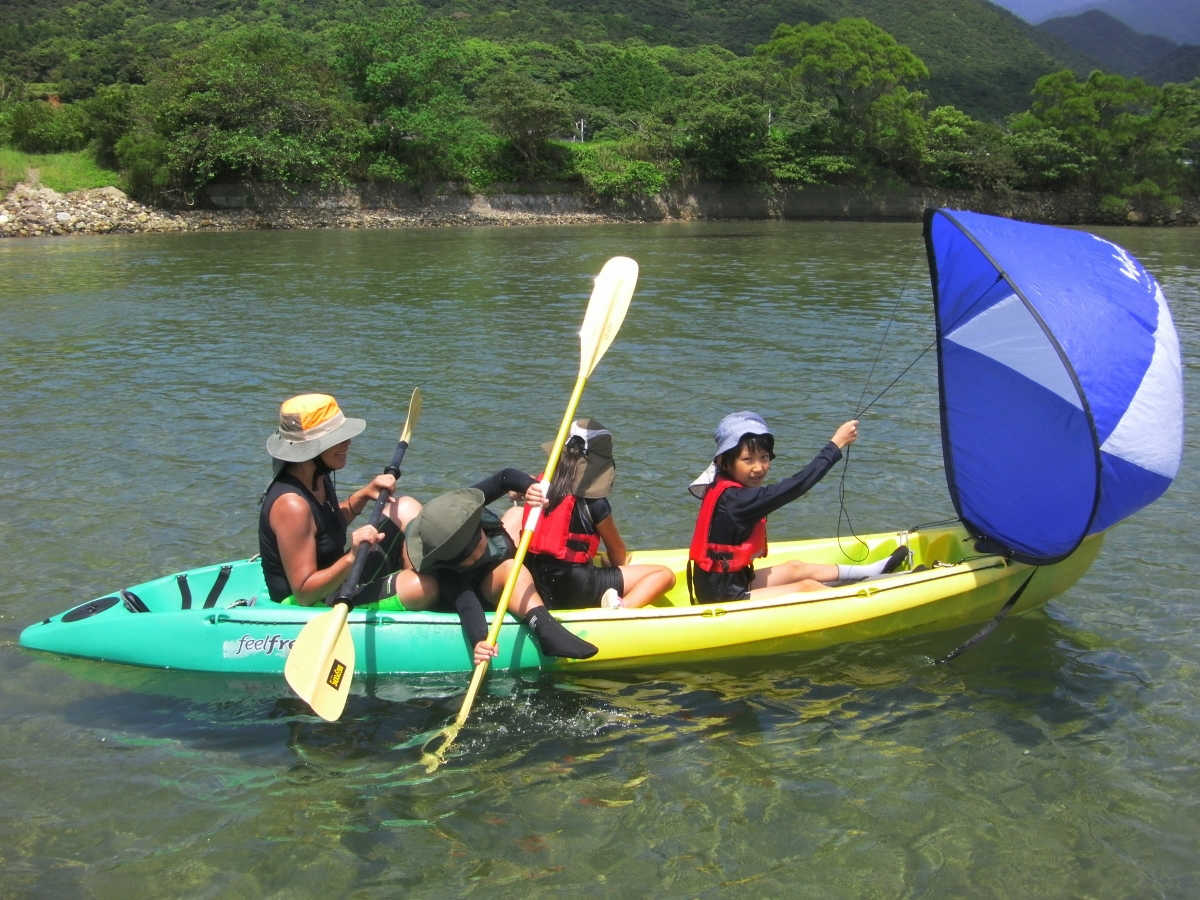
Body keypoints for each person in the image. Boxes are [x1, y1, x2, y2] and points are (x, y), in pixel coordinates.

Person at [687, 410, 908, 604]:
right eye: (748, 460)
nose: (759, 467)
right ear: (726, 462)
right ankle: (877, 591)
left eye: (764, 458)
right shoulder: (737, 500)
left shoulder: (723, 483)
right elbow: (797, 485)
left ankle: (872, 571)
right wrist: (836, 444)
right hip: (723, 596)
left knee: (796, 568)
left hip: (732, 579)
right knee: (807, 587)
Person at [258, 393, 436, 609]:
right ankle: (417, 596)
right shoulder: (292, 505)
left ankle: (411, 590)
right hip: (308, 601)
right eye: (337, 439)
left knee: (405, 506)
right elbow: (304, 593)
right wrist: (352, 556)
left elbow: (324, 527)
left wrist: (360, 497)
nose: (348, 443)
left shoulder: (316, 476)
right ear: (312, 449)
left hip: (334, 577)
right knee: (423, 586)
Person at [406, 469, 599, 662]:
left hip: (492, 569)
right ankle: (546, 630)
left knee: (516, 513)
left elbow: (504, 478)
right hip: (479, 592)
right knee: (511, 568)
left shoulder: (464, 509)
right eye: (470, 557)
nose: (477, 553)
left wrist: (530, 487)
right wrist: (479, 641)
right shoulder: (449, 572)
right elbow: (467, 604)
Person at [512, 418, 675, 609]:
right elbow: (618, 555)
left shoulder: (537, 487)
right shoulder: (595, 502)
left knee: (514, 514)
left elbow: (517, 493)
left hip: (532, 580)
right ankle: (621, 609)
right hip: (574, 586)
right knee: (665, 575)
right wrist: (612, 563)